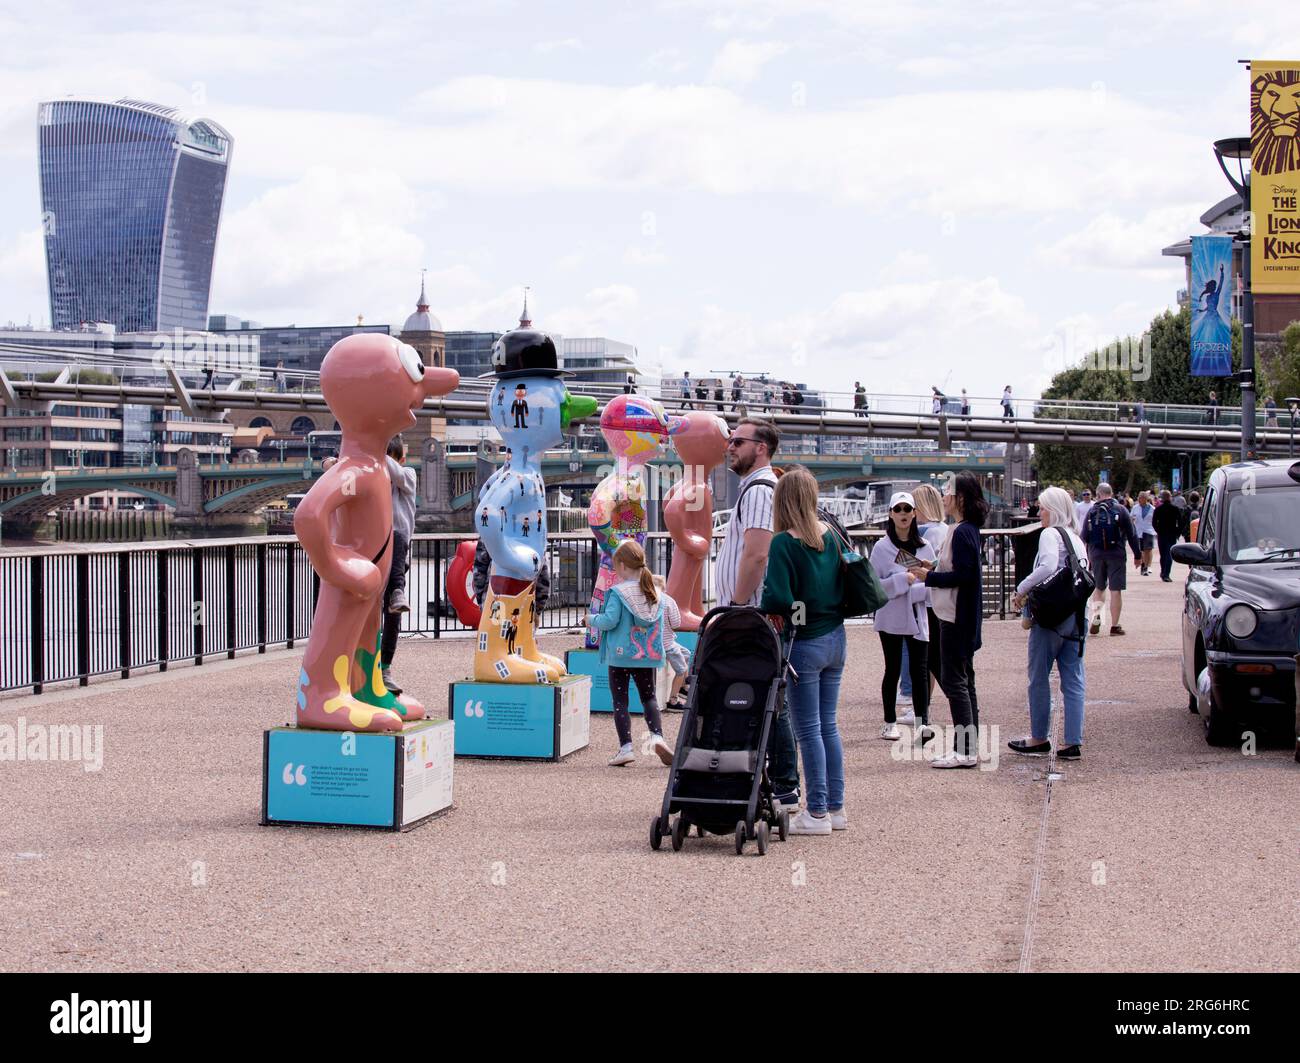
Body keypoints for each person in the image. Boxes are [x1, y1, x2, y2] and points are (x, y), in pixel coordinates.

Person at [715, 417, 800, 809]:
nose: (730, 447)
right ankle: (764, 780)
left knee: (770, 699)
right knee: (764, 695)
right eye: (730, 441)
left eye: (738, 441)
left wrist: (735, 605)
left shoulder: (759, 490)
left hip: (751, 615)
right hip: (752, 614)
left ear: (761, 448)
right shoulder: (756, 488)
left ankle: (784, 785)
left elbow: (757, 553)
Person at [760, 466, 846, 835]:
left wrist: (773, 605)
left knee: (807, 730)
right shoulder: (831, 536)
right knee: (828, 726)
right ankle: (836, 808)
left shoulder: (783, 543)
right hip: (836, 638)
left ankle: (817, 813)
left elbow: (778, 597)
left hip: (805, 641)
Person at [1008, 486, 1089, 761]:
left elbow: (1048, 566)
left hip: (1051, 617)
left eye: (1043, 508)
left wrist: (1021, 589)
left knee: (1039, 677)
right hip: (1076, 615)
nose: (1039, 512)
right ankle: (1072, 741)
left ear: (1053, 510)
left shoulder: (1049, 534)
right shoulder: (1076, 538)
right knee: (1073, 678)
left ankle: (1039, 737)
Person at [920, 471, 988, 768]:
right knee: (965, 680)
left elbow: (963, 575)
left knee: (955, 681)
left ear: (959, 498)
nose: (943, 497)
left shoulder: (961, 532)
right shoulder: (965, 529)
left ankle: (965, 750)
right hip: (959, 615)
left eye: (947, 492)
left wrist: (929, 576)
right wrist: (933, 567)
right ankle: (969, 746)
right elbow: (961, 568)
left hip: (955, 616)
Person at [586, 540, 674, 767]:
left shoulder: (618, 592)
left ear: (623, 566)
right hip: (647, 656)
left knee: (620, 702)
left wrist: (591, 619)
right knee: (649, 697)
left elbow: (610, 621)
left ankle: (626, 748)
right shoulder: (654, 591)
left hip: (620, 656)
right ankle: (657, 737)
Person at [869, 491, 936, 744]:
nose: (903, 514)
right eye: (898, 509)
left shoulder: (925, 547)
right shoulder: (881, 548)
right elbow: (874, 586)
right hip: (891, 617)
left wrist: (914, 588)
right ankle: (889, 722)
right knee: (893, 668)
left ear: (915, 513)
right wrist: (902, 580)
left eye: (907, 509)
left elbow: (933, 585)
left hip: (918, 616)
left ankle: (923, 723)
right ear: (890, 514)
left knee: (920, 670)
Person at [377, 436, 417, 692]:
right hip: (374, 553)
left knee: (392, 617)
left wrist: (373, 452)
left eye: (391, 460)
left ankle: (385, 668)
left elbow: (396, 473)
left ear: (402, 460)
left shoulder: (408, 475)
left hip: (397, 557)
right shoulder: (372, 481)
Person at [1081, 481, 1141, 636]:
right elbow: (1132, 534)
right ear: (1111, 493)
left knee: (1099, 587)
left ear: (1097, 494)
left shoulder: (1092, 511)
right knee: (1115, 590)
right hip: (1116, 554)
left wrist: (1084, 557)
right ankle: (1115, 626)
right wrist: (1137, 555)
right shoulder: (1121, 510)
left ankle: (1097, 616)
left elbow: (1084, 537)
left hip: (1096, 554)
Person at [652, 573, 690, 710]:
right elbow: (676, 623)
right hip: (667, 644)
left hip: (653, 643)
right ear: (663, 587)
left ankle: (684, 687)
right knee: (681, 670)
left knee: (686, 653)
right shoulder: (669, 601)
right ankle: (673, 700)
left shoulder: (647, 601)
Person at [1152, 488, 1182, 582]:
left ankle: (1163, 572)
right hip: (1171, 534)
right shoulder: (1175, 509)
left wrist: (1158, 531)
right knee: (1169, 554)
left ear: (1162, 498)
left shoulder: (1158, 509)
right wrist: (1178, 532)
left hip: (1162, 534)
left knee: (1163, 554)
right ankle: (1166, 574)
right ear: (1170, 498)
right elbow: (1180, 522)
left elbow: (1154, 522)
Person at [1131, 490, 1155, 576]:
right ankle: (1143, 566)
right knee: (1141, 550)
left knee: (1148, 549)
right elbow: (1131, 517)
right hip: (1138, 531)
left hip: (1148, 530)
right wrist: (1132, 521)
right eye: (1139, 498)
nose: (1140, 500)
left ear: (1146, 499)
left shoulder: (1152, 509)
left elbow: (1155, 520)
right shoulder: (1135, 508)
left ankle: (1147, 566)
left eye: (1142, 498)